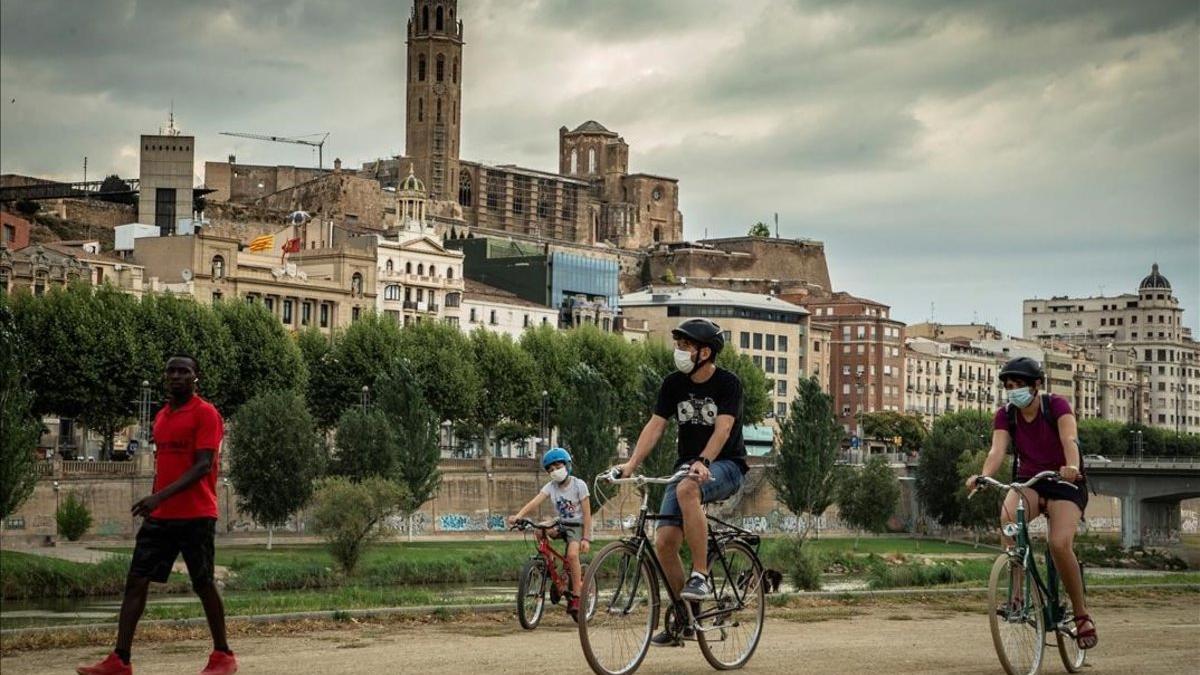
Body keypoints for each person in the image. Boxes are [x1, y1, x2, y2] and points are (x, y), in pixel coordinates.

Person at [78, 355, 238, 675]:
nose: (177, 376)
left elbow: (203, 465)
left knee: (203, 583)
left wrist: (158, 497)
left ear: (196, 378)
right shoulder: (162, 417)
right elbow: (165, 466)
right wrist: (157, 500)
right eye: (171, 371)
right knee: (136, 581)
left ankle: (223, 656)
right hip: (161, 515)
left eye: (184, 371)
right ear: (165, 377)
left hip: (196, 514)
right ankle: (120, 659)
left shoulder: (207, 414)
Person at [617, 318, 748, 647]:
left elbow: (723, 429)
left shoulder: (728, 384)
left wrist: (704, 461)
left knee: (688, 487)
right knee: (664, 544)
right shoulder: (672, 384)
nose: (679, 351)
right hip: (687, 466)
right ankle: (685, 618)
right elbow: (656, 425)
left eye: (685, 346)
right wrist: (632, 465)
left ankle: (701, 575)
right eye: (678, 345)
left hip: (726, 464)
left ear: (705, 352)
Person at [966, 356, 1097, 650]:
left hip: (1065, 482)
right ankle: (1017, 596)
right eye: (1009, 386)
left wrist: (1072, 466)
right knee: (1008, 518)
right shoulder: (1006, 415)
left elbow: (1070, 439)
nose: (1013, 391)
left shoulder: (1057, 406)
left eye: (1019, 385)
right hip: (1031, 480)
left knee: (1059, 544)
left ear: (1037, 385)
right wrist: (984, 476)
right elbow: (997, 450)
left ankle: (1081, 615)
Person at [508, 447, 592, 620]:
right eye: (550, 470)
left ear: (567, 465)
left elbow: (587, 514)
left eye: (557, 466)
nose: (554, 471)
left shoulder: (579, 485)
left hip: (576, 526)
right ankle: (550, 564)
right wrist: (519, 516)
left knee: (572, 555)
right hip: (561, 522)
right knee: (539, 530)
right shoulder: (551, 487)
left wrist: (586, 538)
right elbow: (535, 501)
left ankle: (576, 595)